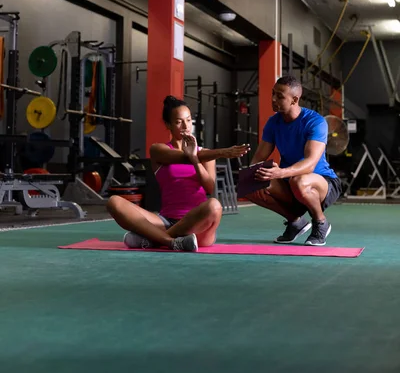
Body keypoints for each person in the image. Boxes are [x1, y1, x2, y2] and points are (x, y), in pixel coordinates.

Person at [107, 95, 250, 252]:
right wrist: (222, 152)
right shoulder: (159, 150)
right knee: (114, 202)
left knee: (214, 206)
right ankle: (171, 242)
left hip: (197, 224)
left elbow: (210, 188)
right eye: (178, 121)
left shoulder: (207, 155)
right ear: (168, 124)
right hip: (164, 221)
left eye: (188, 120)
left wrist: (196, 160)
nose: (185, 126)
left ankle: (157, 239)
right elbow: (183, 157)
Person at [246, 75, 342, 246]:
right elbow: (259, 158)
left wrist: (281, 172)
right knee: (251, 186)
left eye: (280, 96)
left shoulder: (315, 122)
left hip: (322, 182)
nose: (274, 99)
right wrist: (251, 177)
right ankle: (296, 222)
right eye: (273, 94)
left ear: (294, 100)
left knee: (299, 180)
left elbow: (310, 163)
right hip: (290, 182)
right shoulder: (273, 123)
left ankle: (320, 222)